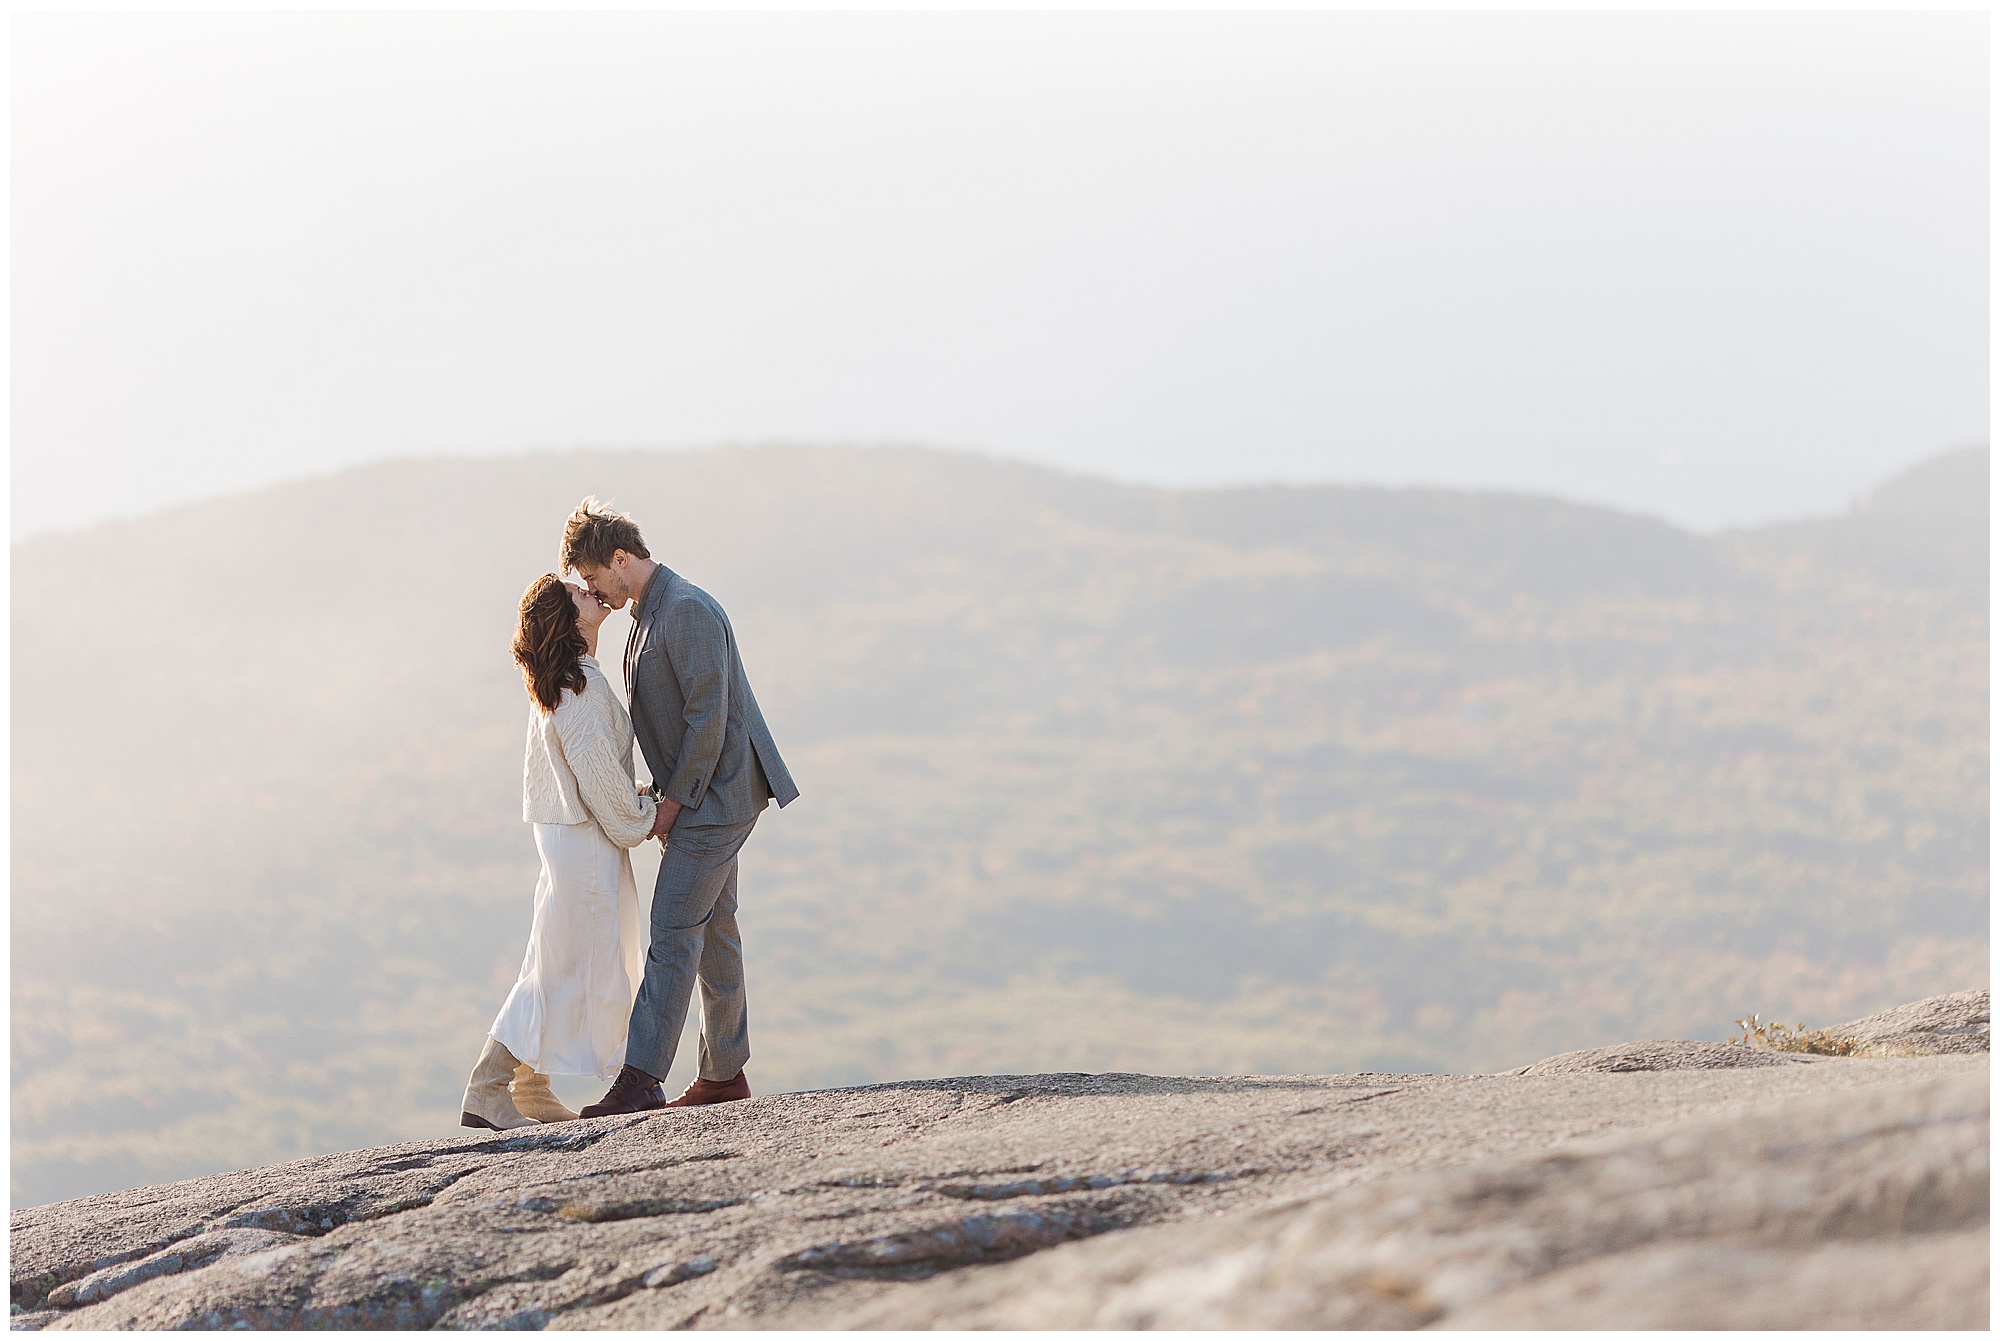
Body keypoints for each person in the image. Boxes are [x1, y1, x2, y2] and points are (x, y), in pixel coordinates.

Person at [559, 499, 799, 1117]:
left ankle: (640, 1080)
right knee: (716, 932)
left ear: (620, 559)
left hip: (716, 801)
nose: (593, 592)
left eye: (592, 580)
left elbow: (707, 722)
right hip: (701, 797)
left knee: (670, 932)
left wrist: (671, 804)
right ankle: (724, 1074)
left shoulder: (686, 610)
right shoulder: (645, 613)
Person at [459, 574, 660, 1129]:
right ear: (566, 620)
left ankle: (530, 1088)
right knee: (562, 967)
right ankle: (489, 1087)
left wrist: (630, 800)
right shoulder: (579, 688)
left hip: (565, 836)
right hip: (582, 842)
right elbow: (598, 778)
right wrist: (646, 815)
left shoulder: (564, 684)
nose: (590, 592)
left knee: (553, 958)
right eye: (579, 594)